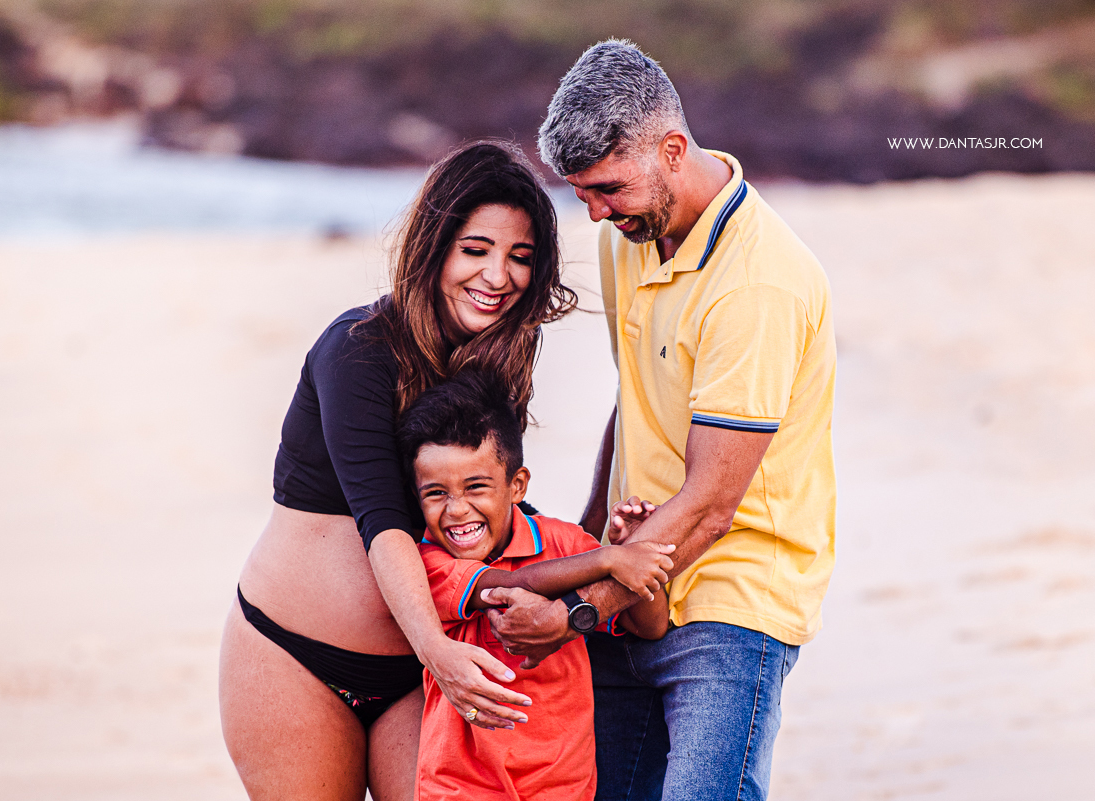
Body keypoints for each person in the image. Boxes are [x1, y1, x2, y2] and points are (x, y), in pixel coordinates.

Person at [482, 40, 838, 801]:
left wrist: (580, 608)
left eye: (608, 188)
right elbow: (637, 395)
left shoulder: (757, 283)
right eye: (580, 193)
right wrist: (581, 542)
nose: (597, 213)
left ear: (673, 149)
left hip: (732, 597)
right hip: (628, 575)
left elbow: (712, 503)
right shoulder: (630, 239)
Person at [218, 141, 579, 801]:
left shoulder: (498, 367)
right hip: (294, 657)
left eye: (520, 257)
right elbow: (383, 522)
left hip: (419, 673)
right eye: (476, 249)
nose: (498, 276)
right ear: (433, 246)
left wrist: (588, 566)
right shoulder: (356, 348)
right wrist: (436, 648)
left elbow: (489, 520)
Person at [396, 370, 673, 801]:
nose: (456, 510)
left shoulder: (564, 544)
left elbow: (650, 627)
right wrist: (609, 560)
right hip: (460, 787)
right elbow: (509, 583)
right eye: (436, 493)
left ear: (517, 485)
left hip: (562, 785)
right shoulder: (425, 562)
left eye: (476, 487)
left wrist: (632, 551)